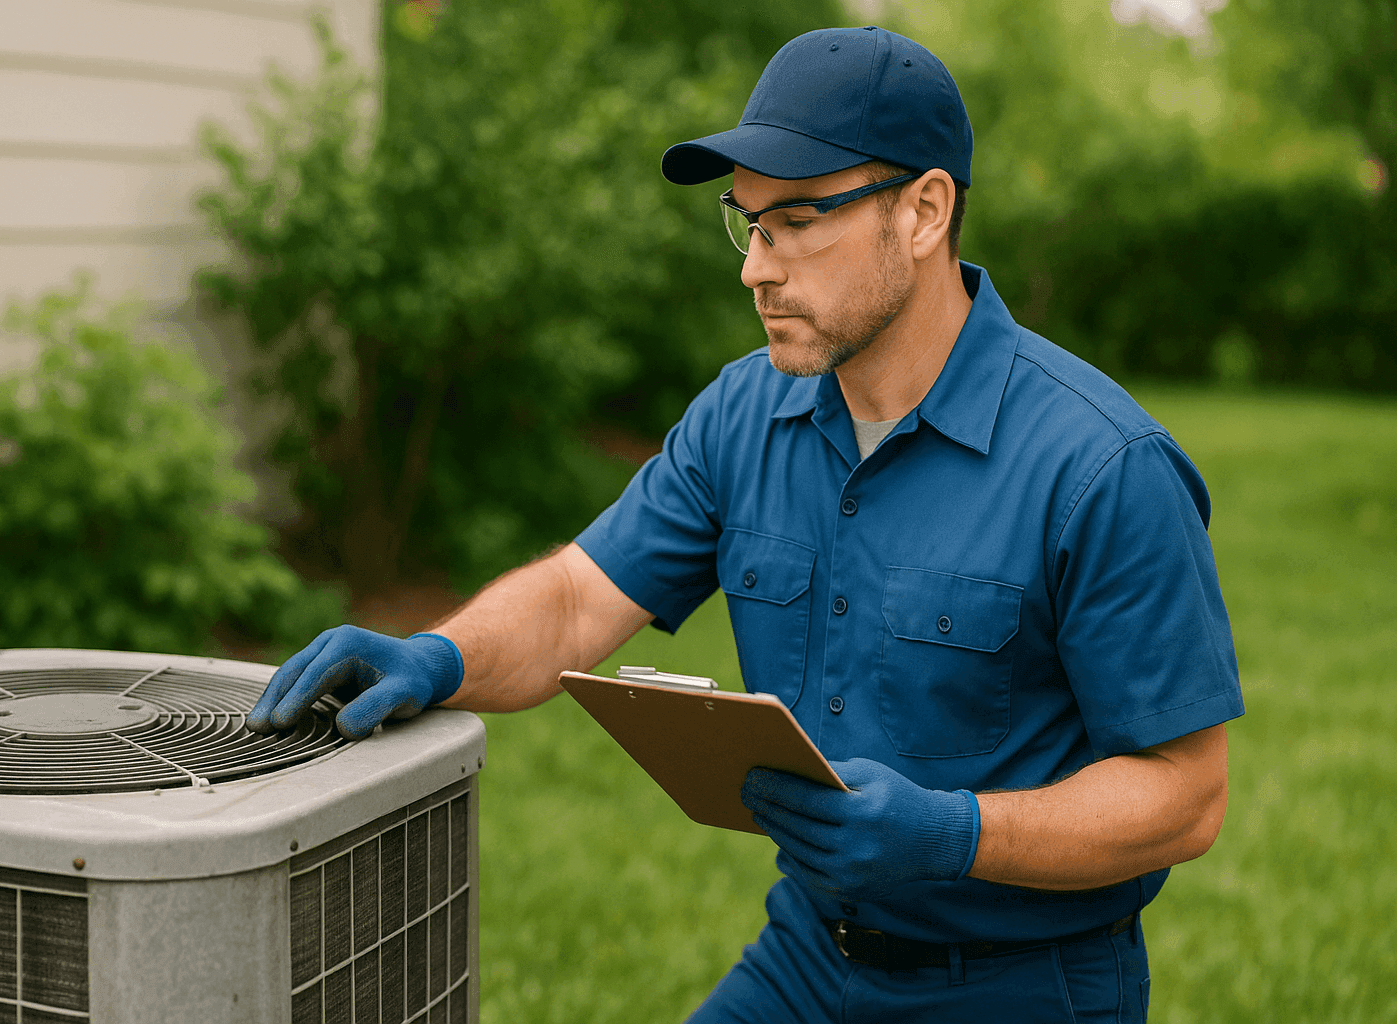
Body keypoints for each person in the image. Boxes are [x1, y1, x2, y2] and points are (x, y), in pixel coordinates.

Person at [248, 25, 1244, 1023]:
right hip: (809, 960)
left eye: (799, 220)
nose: (754, 270)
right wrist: (438, 655)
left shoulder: (1101, 465)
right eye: (749, 224)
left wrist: (951, 834)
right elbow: (574, 598)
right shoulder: (743, 414)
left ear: (925, 213)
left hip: (1023, 986)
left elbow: (1186, 795)